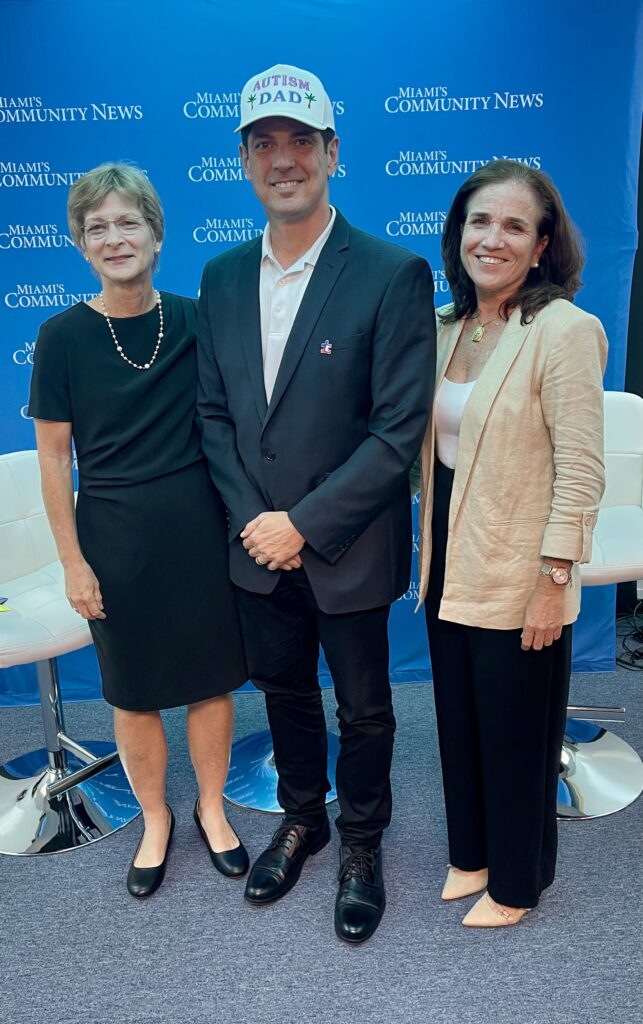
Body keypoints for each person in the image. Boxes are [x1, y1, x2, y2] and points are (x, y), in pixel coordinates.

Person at [197, 63, 436, 944]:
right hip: (256, 549)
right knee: (284, 693)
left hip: (348, 545)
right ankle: (305, 820)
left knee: (364, 709)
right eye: (264, 143)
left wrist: (302, 524)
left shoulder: (390, 272)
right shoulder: (221, 277)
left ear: (333, 152)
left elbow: (396, 431)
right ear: (243, 162)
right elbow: (214, 416)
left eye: (301, 140)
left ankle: (362, 843)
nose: (283, 159)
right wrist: (258, 527)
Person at [28, 163, 249, 898]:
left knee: (210, 681)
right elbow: (54, 459)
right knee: (133, 691)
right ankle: (155, 817)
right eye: (97, 228)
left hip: (199, 530)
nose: (114, 238)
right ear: (81, 246)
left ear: (157, 235)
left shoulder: (196, 319)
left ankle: (211, 807)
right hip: (113, 537)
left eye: (128, 223)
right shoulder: (60, 337)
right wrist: (72, 562)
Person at [417, 159, 607, 927]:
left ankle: (516, 884)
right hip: (446, 557)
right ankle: (471, 854)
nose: (491, 239)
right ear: (457, 234)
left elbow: (581, 469)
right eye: (479, 222)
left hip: (523, 564)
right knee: (459, 719)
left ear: (540, 246)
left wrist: (553, 580)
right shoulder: (445, 326)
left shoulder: (563, 330)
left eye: (513, 226)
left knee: (515, 733)